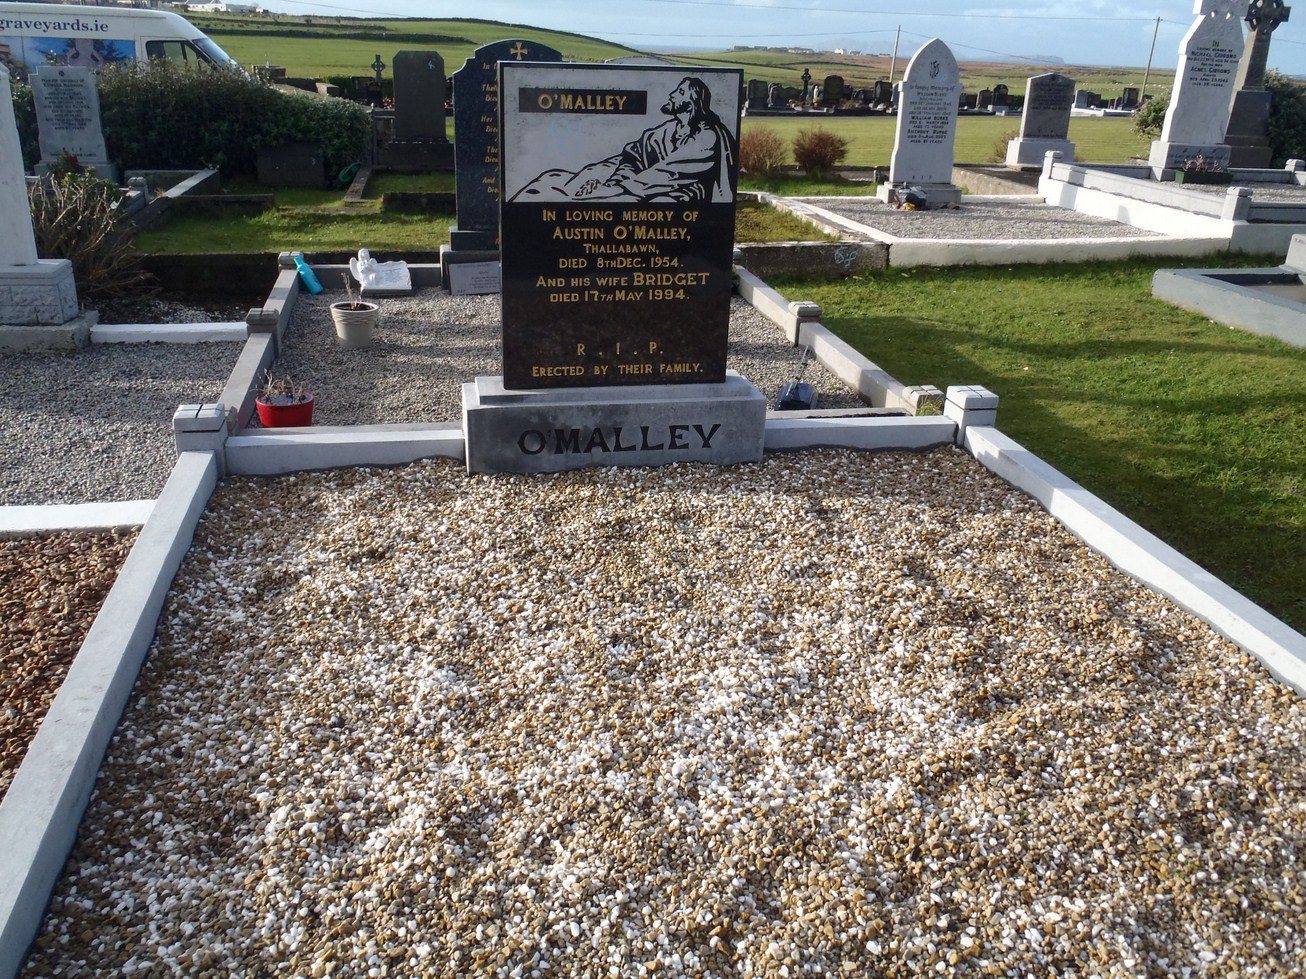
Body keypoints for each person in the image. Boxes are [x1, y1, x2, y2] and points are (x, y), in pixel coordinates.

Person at [511, 76, 737, 204]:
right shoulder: (668, 130)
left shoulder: (707, 136)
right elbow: (633, 156)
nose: (671, 95)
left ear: (691, 102)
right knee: (552, 179)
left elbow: (668, 174)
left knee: (603, 203)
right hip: (637, 184)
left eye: (679, 93)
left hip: (678, 197)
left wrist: (614, 189)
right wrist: (605, 179)